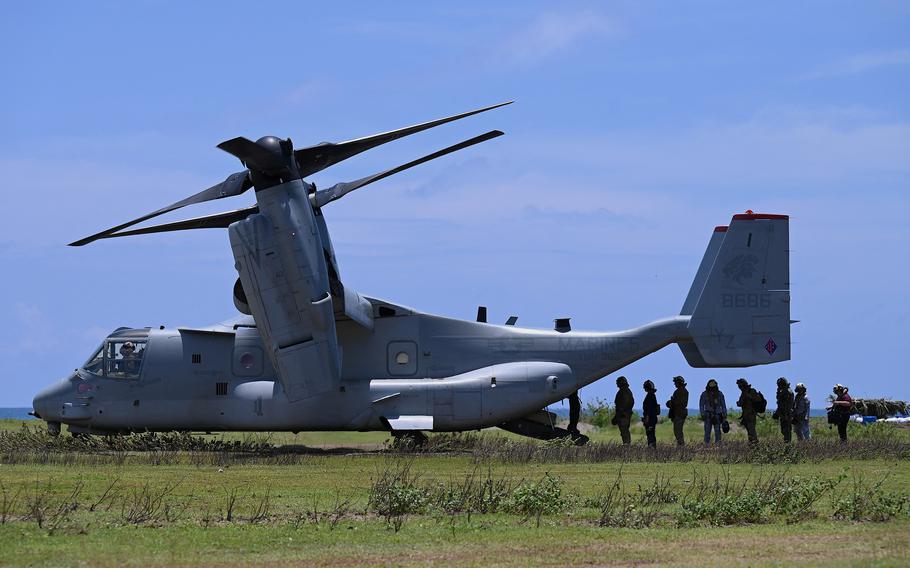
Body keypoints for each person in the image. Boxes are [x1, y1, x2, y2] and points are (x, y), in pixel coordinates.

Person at [699, 379, 727, 444]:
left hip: (717, 415)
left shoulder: (720, 394)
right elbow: (701, 405)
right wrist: (702, 414)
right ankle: (707, 445)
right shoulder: (704, 394)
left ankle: (718, 445)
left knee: (717, 432)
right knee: (707, 432)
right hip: (708, 415)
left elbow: (723, 405)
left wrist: (724, 415)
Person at [736, 378, 763, 444]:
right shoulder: (743, 393)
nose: (740, 387)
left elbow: (758, 399)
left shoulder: (751, 391)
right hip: (746, 415)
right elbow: (740, 403)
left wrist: (749, 396)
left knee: (752, 430)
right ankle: (752, 444)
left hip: (751, 414)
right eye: (739, 386)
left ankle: (755, 445)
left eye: (740, 386)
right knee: (749, 431)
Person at [666, 376, 688, 445]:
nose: (674, 384)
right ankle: (680, 445)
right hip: (678, 414)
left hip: (679, 414)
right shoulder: (680, 391)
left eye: (675, 383)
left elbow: (681, 403)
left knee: (678, 431)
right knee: (677, 431)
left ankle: (681, 446)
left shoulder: (682, 391)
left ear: (678, 383)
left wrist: (671, 402)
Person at [772, 377, 795, 443]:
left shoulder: (786, 391)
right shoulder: (785, 391)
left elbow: (783, 404)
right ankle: (787, 442)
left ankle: (787, 444)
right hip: (784, 413)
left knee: (786, 430)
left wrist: (779, 413)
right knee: (784, 430)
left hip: (786, 414)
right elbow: (780, 404)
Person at [613, 376, 634, 445]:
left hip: (623, 415)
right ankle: (626, 444)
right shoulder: (625, 391)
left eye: (618, 382)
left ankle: (626, 445)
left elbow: (623, 405)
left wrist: (619, 415)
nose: (616, 384)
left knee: (624, 431)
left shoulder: (624, 391)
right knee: (624, 431)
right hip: (624, 414)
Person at [642, 380, 659, 447]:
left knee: (650, 433)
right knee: (651, 433)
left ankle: (652, 447)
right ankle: (652, 447)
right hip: (652, 418)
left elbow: (649, 410)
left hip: (650, 419)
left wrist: (647, 418)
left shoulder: (650, 396)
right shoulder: (652, 395)